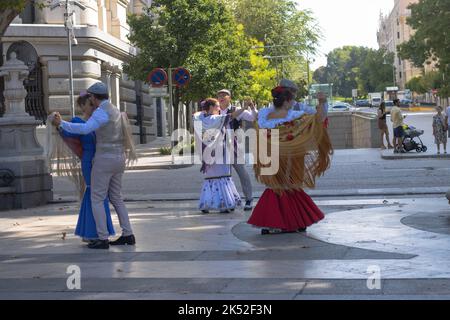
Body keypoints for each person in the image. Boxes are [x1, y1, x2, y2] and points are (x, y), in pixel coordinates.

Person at [52, 82, 137, 249]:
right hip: (119, 158)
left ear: (93, 97)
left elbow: (85, 129)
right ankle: (128, 234)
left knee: (97, 198)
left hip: (104, 159)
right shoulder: (116, 111)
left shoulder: (101, 112)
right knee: (117, 198)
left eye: (90, 96)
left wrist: (62, 123)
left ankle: (102, 238)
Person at [248, 86, 333, 234]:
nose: (293, 102)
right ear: (287, 102)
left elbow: (258, 131)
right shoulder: (295, 116)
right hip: (291, 156)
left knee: (275, 186)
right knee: (289, 185)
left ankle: (271, 222)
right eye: (291, 100)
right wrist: (322, 101)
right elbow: (319, 118)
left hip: (271, 155)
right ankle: (293, 221)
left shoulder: (263, 116)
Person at [55, 93, 116, 242]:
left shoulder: (97, 120)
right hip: (89, 160)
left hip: (100, 159)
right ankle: (91, 233)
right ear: (82, 106)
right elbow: (66, 132)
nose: (93, 107)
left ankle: (95, 231)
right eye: (90, 105)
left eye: (94, 104)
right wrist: (58, 123)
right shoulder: (78, 121)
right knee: (94, 193)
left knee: (99, 195)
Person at [194, 98, 247, 213]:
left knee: (210, 178)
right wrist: (244, 108)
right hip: (220, 151)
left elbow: (196, 114)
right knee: (223, 176)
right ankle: (224, 203)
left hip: (207, 154)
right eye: (217, 106)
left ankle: (207, 204)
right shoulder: (216, 119)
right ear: (212, 107)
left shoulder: (200, 118)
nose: (219, 108)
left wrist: (203, 111)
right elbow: (231, 116)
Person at [216, 89, 257, 211]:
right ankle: (227, 201)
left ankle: (249, 198)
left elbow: (252, 117)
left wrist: (252, 107)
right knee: (223, 174)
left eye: (224, 95)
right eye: (219, 95)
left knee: (241, 172)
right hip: (219, 146)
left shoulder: (236, 110)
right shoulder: (215, 110)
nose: (221, 97)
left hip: (234, 145)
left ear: (230, 97)